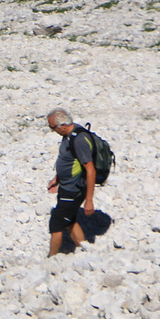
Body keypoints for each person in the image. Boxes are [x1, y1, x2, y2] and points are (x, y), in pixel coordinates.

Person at [45, 108, 96, 256]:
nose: (52, 130)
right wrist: (58, 178)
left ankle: (52, 258)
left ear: (62, 125)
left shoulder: (79, 140)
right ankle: (85, 251)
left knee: (56, 224)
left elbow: (90, 170)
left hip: (73, 189)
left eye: (52, 127)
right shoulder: (69, 135)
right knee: (69, 220)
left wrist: (89, 200)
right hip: (66, 185)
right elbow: (68, 161)